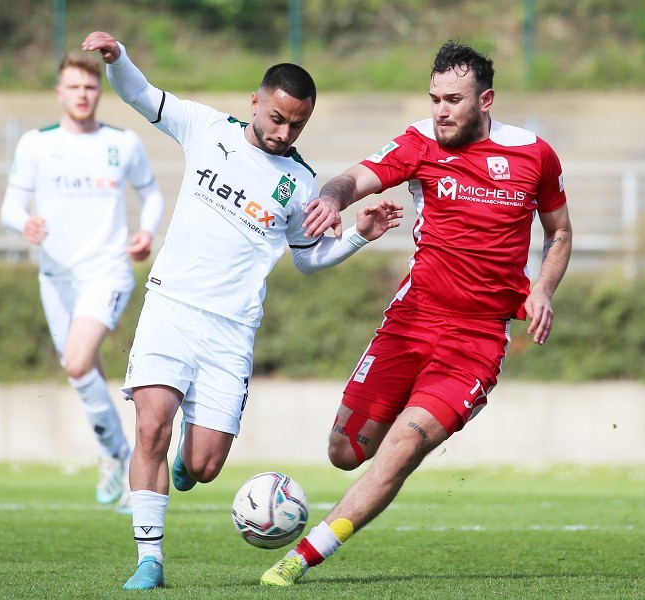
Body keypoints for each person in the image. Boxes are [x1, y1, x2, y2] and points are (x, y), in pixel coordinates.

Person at [81, 31, 403, 590]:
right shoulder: (207, 129)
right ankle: (149, 560)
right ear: (256, 101)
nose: (284, 133)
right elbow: (143, 96)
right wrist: (119, 59)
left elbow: (307, 259)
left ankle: (188, 462)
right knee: (151, 426)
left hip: (231, 330)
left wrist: (358, 235)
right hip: (171, 305)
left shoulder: (301, 181)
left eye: (296, 125)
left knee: (204, 466)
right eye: (277, 118)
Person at [260, 40, 573, 586]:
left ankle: (299, 560)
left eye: (453, 100)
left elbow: (561, 231)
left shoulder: (534, 155)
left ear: (487, 100)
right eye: (434, 99)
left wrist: (543, 289)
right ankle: (388, 451)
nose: (441, 111)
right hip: (411, 320)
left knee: (402, 445)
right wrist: (334, 200)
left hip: (475, 343)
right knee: (344, 451)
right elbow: (353, 178)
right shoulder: (420, 141)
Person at [0, 51, 165, 514]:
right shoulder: (36, 144)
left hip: (107, 269)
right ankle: (114, 454)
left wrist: (146, 231)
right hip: (56, 276)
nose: (82, 94)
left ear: (99, 91)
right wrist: (23, 224)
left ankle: (121, 455)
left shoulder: (123, 143)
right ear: (60, 92)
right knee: (85, 368)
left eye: (90, 87)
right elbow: (10, 206)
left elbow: (151, 194)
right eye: (73, 87)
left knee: (76, 362)